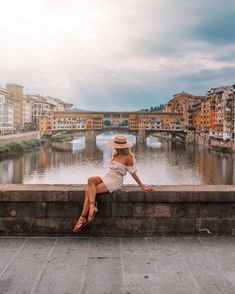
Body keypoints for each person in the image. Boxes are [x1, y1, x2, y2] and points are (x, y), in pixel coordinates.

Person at [73, 134, 153, 233]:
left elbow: (133, 174)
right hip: (108, 176)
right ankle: (92, 207)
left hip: (116, 181)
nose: (115, 147)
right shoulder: (115, 154)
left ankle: (83, 217)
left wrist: (143, 186)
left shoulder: (128, 158)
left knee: (88, 191)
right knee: (90, 180)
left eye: (117, 146)